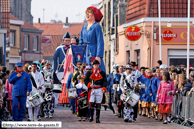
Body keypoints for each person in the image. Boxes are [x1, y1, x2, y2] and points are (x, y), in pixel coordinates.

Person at [79, 6, 105, 73]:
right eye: (86, 13)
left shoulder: (97, 26)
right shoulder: (84, 27)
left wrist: (98, 55)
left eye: (89, 13)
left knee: (96, 69)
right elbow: (80, 41)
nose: (87, 15)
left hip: (94, 50)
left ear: (94, 15)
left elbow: (100, 42)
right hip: (85, 51)